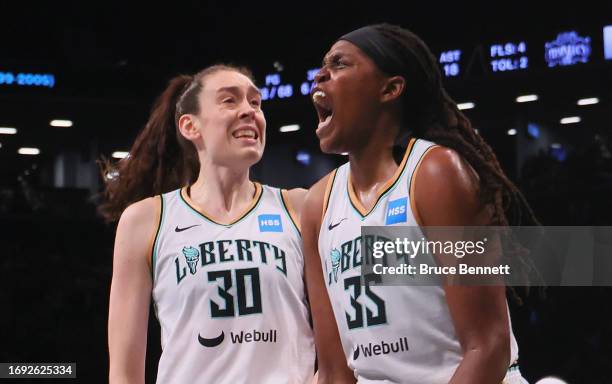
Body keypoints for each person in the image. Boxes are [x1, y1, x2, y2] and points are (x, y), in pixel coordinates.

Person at [302, 24, 534, 383]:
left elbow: (487, 346)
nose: (321, 74)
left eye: (339, 63)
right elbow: (335, 371)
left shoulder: (435, 173)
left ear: (390, 89)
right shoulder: (318, 203)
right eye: (322, 64)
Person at [102, 64, 315, 383]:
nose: (249, 111)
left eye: (255, 103)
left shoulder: (300, 206)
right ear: (190, 126)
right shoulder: (146, 220)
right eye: (230, 101)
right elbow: (123, 372)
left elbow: (387, 271)